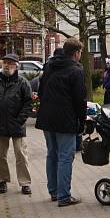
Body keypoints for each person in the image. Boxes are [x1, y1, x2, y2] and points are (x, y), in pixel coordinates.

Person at [36, 38, 86, 206]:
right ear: (76, 53)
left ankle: (54, 191)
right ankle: (64, 195)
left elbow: (41, 90)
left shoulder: (49, 66)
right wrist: (82, 120)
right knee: (66, 156)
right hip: (65, 118)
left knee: (52, 154)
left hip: (47, 117)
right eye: (80, 53)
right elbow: (80, 99)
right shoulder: (76, 70)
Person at [0, 53, 34, 195]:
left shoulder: (22, 82)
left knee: (21, 154)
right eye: (5, 63)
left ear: (16, 66)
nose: (6, 65)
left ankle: (25, 183)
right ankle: (2, 180)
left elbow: (28, 102)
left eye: (10, 63)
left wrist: (21, 119)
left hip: (17, 124)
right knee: (0, 155)